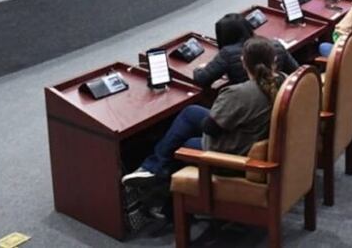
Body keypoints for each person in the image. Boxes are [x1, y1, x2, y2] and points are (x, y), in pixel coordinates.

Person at [122, 37, 284, 209]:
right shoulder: (282, 81)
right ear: (274, 60)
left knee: (184, 145)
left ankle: (166, 204)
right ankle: (154, 168)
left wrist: (220, 111)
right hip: (254, 141)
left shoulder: (239, 94)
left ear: (243, 62)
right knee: (191, 112)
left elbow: (210, 128)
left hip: (234, 156)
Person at [193, 14, 299, 88]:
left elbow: (202, 79)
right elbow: (297, 72)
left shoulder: (227, 53)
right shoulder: (275, 45)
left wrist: (199, 69)